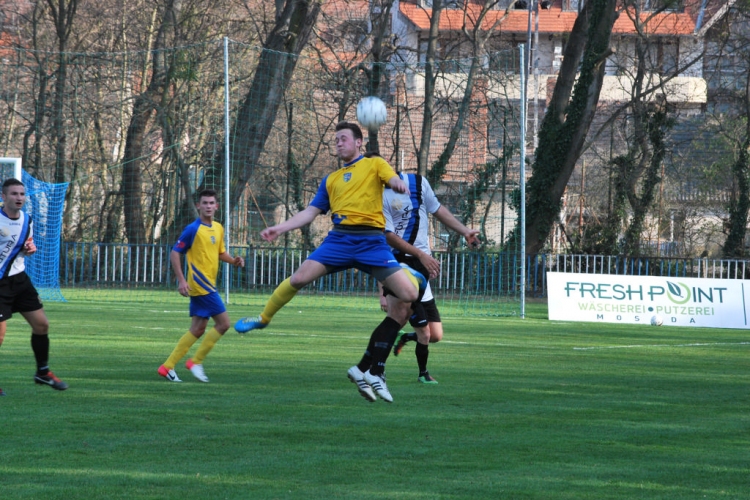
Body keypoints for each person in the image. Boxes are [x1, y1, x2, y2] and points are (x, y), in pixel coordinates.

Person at [234, 121, 419, 402]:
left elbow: (391, 178)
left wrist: (396, 183)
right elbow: (309, 213)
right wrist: (280, 228)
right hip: (339, 240)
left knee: (410, 294)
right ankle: (263, 318)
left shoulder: (374, 164)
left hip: (371, 242)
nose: (338, 143)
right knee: (298, 279)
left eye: (343, 139)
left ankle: (370, 369)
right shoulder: (330, 180)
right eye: (335, 140)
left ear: (359, 143)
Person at [382, 170, 480, 384]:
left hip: (422, 265)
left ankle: (408, 339)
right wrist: (381, 290)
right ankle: (381, 368)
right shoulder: (376, 195)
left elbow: (438, 209)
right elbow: (383, 241)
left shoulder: (417, 182)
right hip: (401, 265)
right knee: (399, 319)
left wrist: (464, 231)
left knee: (434, 335)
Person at [158, 189, 245, 383]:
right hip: (201, 285)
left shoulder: (218, 228)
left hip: (207, 284)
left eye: (211, 203)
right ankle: (196, 361)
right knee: (223, 324)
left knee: (197, 329)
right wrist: (181, 280)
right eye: (204, 203)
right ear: (198, 206)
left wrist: (234, 261)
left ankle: (167, 367)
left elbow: (220, 252)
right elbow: (175, 252)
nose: (208, 206)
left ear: (216, 206)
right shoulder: (192, 229)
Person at [0, 178, 67, 395]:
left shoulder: (27, 220)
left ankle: (42, 372)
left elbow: (27, 244)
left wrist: (30, 248)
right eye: (14, 194)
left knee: (42, 325)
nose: (19, 198)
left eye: (21, 194)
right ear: (3, 197)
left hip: (20, 280)